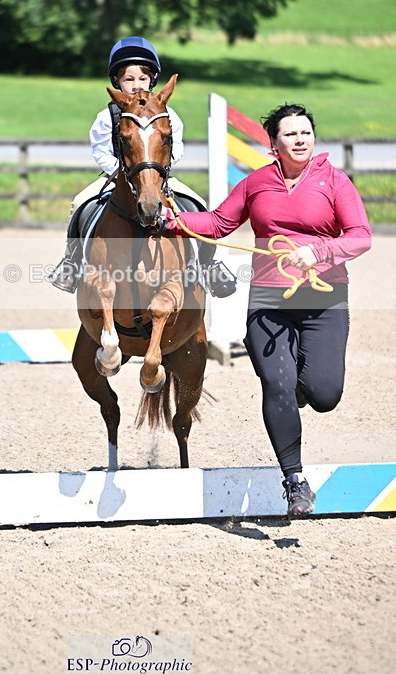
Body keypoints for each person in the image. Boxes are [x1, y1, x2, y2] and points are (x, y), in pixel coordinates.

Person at [161, 104, 372, 518]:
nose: (299, 139)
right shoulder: (257, 183)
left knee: (325, 394)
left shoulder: (334, 181)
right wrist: (176, 221)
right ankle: (294, 481)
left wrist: (320, 251)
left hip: (322, 300)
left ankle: (293, 393)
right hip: (269, 303)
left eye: (305, 132)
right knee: (276, 383)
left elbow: (361, 236)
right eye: (290, 134)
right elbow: (220, 223)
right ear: (274, 143)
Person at [50, 36, 235, 297]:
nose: (136, 85)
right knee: (80, 203)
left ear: (152, 80)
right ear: (117, 82)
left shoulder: (166, 114)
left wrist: (158, 169)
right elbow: (100, 150)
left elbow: (176, 147)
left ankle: (208, 265)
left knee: (197, 202)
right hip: (116, 177)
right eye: (129, 79)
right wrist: (122, 170)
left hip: (159, 177)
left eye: (142, 79)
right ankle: (71, 262)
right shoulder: (108, 116)